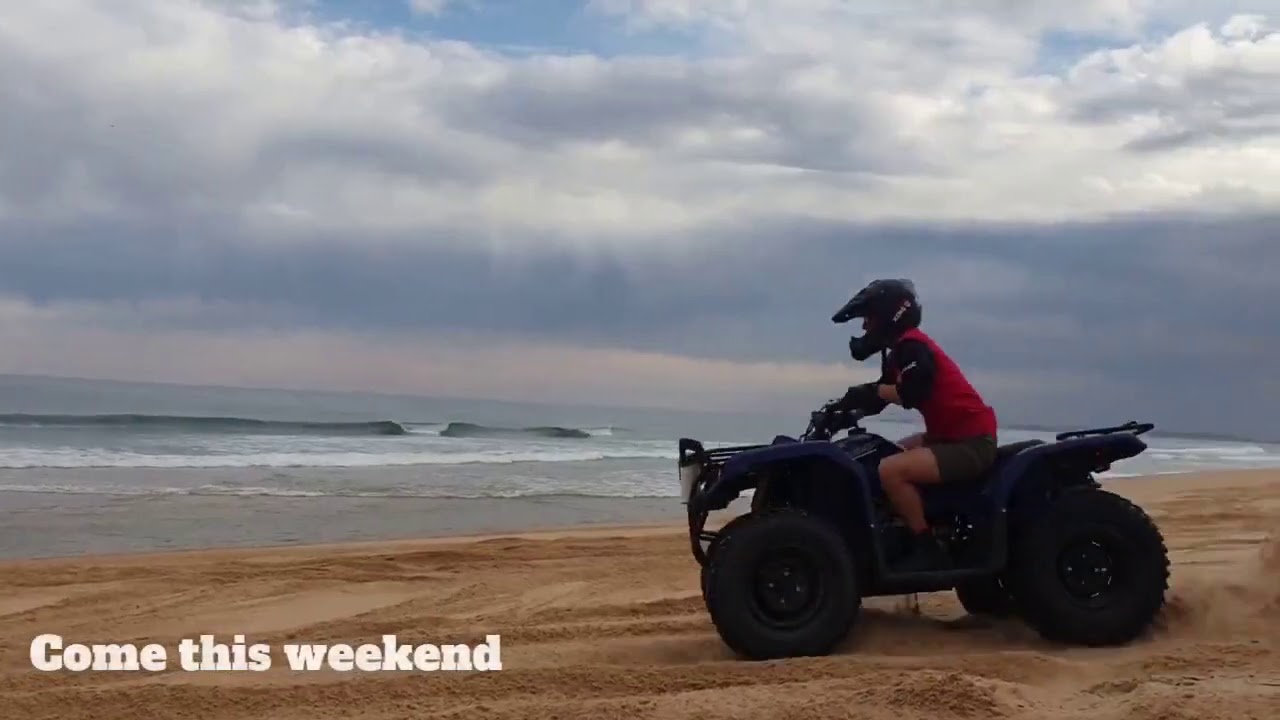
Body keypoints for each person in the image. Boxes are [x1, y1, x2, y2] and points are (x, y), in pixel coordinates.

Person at [828, 278, 999, 572]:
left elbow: (913, 391)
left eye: (868, 319)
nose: (865, 328)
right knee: (886, 451)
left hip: (970, 442)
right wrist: (843, 410)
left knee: (890, 470)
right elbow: (881, 396)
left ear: (886, 316)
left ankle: (926, 545)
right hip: (948, 436)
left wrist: (872, 392)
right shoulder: (900, 351)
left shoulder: (912, 346)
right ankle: (898, 524)